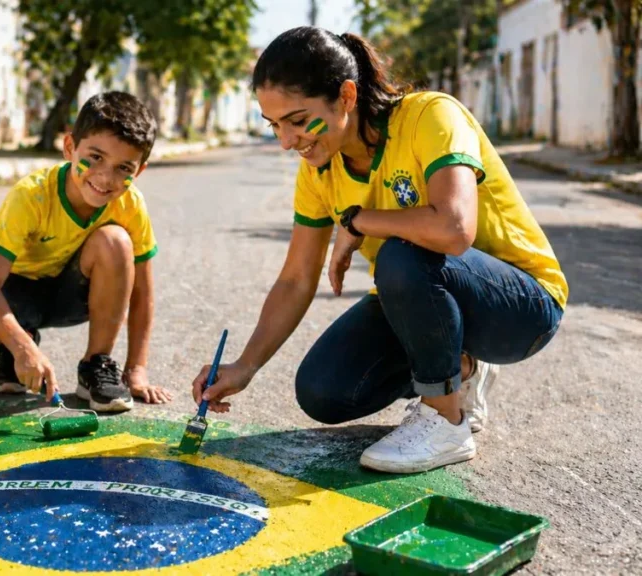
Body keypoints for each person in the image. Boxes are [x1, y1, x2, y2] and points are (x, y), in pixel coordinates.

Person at [191, 27, 568, 474]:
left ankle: (446, 420)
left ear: (346, 96)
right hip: (426, 298)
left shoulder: (430, 116)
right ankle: (460, 367)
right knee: (323, 391)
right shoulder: (319, 172)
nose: (286, 141)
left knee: (402, 254)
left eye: (296, 120)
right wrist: (244, 366)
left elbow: (453, 229)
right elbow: (295, 278)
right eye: (273, 125)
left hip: (522, 308)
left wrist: (360, 220)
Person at [0, 91, 173, 412]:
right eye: (95, 157)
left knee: (115, 241)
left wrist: (137, 369)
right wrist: (22, 349)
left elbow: (142, 292)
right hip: (10, 292)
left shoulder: (130, 205)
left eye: (123, 168)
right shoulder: (31, 195)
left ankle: (96, 366)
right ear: (69, 148)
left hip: (68, 295)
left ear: (139, 171)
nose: (105, 177)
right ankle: (14, 344)